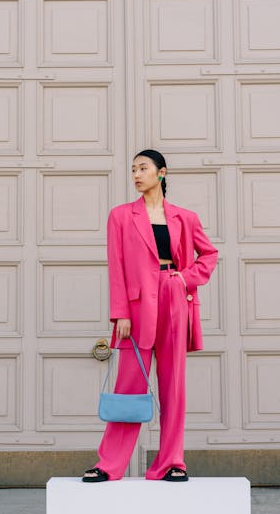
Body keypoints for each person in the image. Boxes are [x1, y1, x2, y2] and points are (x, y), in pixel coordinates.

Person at [82, 149, 218, 483]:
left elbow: (209, 253)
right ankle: (110, 464)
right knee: (128, 386)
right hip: (137, 307)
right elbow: (116, 267)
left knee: (174, 388)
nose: (136, 174)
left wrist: (185, 278)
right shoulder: (120, 216)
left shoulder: (184, 217)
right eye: (133, 170)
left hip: (174, 299)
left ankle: (172, 462)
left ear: (162, 173)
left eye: (143, 168)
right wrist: (120, 314)